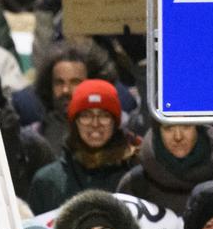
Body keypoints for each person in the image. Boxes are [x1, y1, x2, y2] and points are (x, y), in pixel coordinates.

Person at [26, 80, 139, 212]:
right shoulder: (47, 181)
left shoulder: (135, 175)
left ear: (115, 122)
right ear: (75, 123)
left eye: (104, 116)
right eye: (86, 116)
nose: (95, 123)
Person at [116, 119, 213, 214]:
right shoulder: (134, 183)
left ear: (199, 128)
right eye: (168, 128)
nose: (178, 137)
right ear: (157, 131)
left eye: (186, 126)